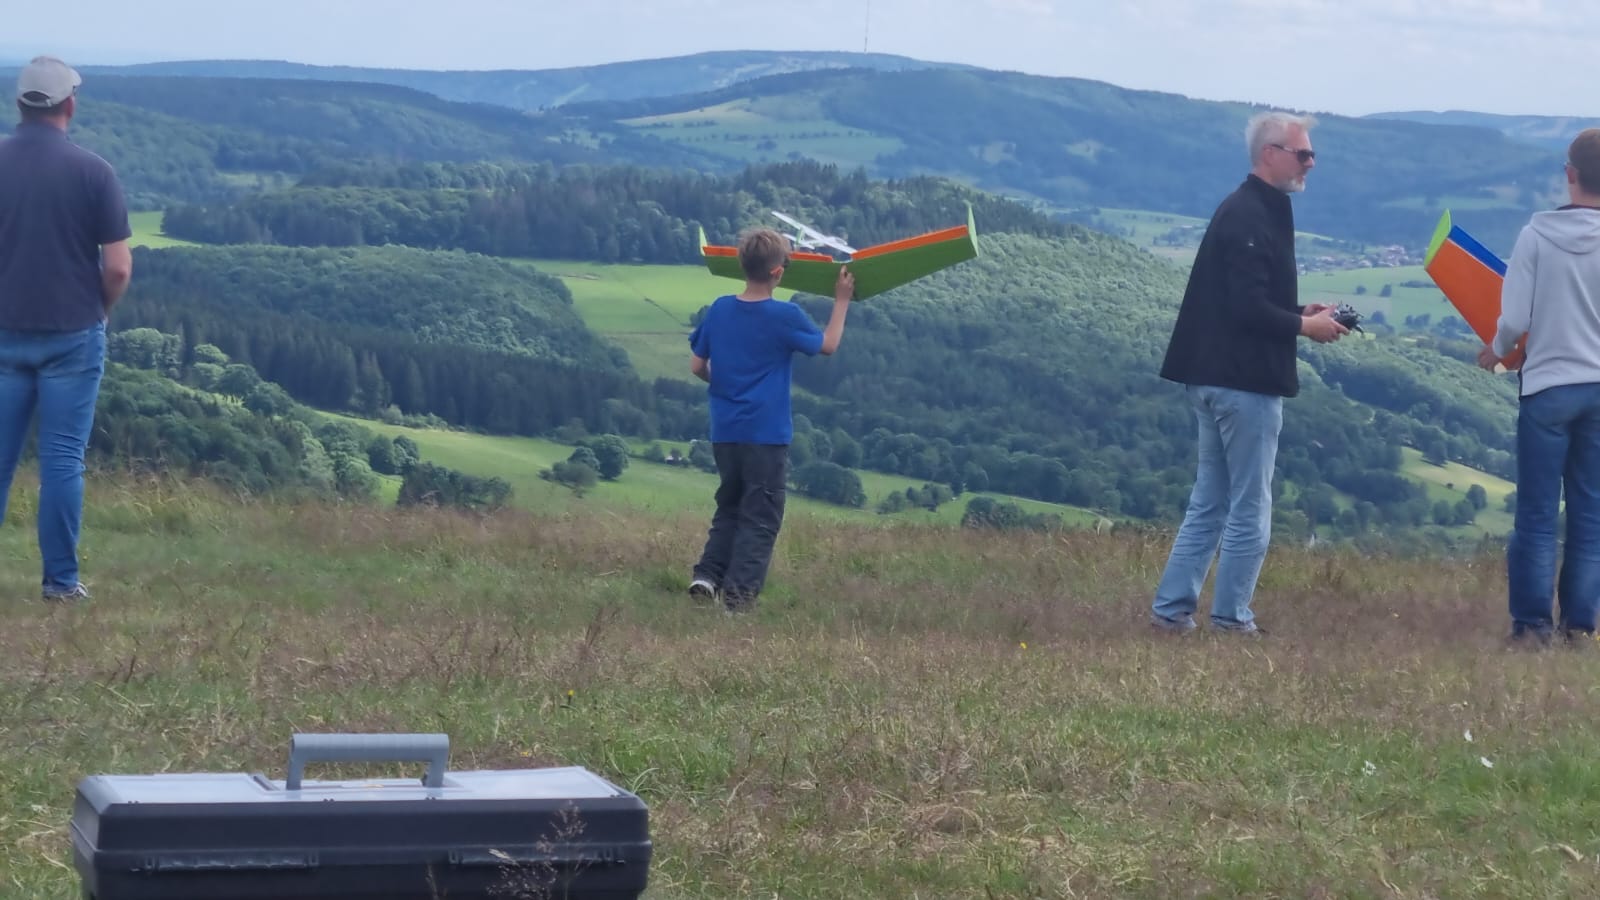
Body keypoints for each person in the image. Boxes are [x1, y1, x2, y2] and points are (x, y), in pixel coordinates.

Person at [1149, 110, 1348, 636]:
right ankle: (1232, 619)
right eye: (1302, 154)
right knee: (1250, 506)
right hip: (1243, 383)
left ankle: (1172, 611)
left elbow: (1245, 299)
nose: (1310, 163)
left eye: (1311, 154)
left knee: (1209, 501)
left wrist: (1300, 312)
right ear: (1269, 154)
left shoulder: (1249, 209)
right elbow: (1246, 308)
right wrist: (1305, 328)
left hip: (1212, 376)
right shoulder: (1250, 215)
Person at [0, 56, 133, 603]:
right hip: (72, 334)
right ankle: (59, 584)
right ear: (69, 105)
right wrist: (98, 311)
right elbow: (118, 268)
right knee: (61, 462)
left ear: (19, 104)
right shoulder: (95, 172)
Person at [1475, 128, 1600, 645]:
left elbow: (1515, 319)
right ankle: (1580, 627)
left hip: (1548, 387)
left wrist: (1496, 349)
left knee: (1537, 513)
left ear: (1569, 174)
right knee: (1591, 514)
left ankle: (1531, 628)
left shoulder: (1536, 235)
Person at [686, 227, 853, 612]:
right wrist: (842, 299)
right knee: (761, 517)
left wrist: (724, 382)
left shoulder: (720, 308)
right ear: (778, 272)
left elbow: (697, 366)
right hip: (765, 435)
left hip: (725, 431)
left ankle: (707, 577)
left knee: (730, 506)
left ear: (742, 266)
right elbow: (827, 345)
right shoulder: (785, 315)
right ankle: (737, 601)